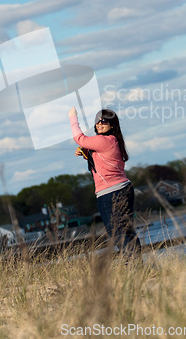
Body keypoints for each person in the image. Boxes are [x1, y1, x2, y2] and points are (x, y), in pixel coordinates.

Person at [68, 106, 141, 259]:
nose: (99, 124)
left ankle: (132, 264)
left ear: (112, 125)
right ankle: (137, 264)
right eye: (97, 122)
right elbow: (103, 161)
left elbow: (79, 138)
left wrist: (72, 118)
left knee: (116, 231)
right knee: (126, 230)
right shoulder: (112, 140)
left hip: (110, 193)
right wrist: (85, 152)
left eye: (104, 122)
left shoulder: (103, 140)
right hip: (123, 189)